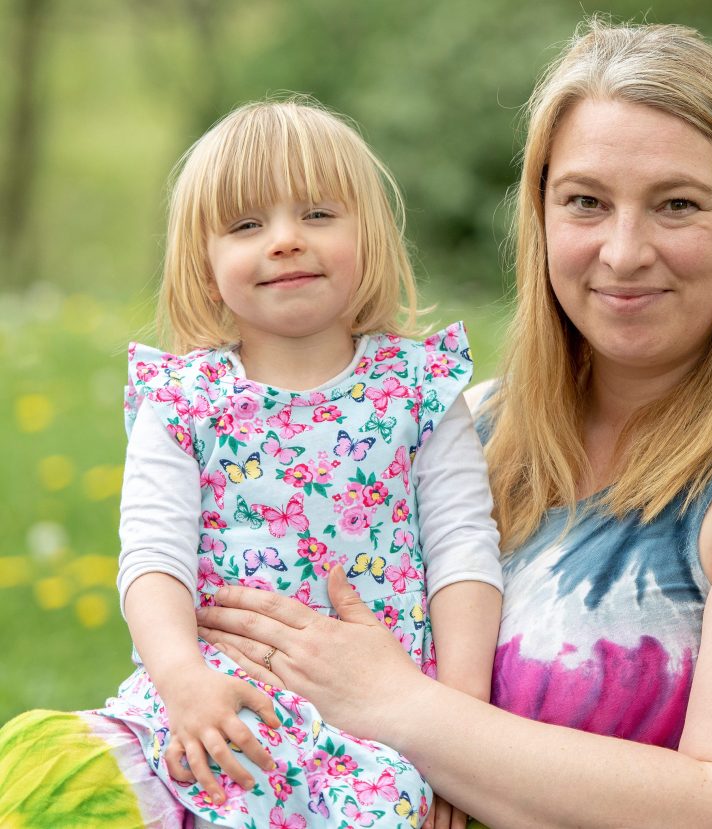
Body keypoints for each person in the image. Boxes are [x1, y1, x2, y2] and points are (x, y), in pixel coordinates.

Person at [185, 20, 712, 829]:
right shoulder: (473, 427)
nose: (624, 252)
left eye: (677, 205)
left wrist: (403, 708)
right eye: (586, 202)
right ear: (541, 215)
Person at [0, 99, 503, 829]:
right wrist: (181, 679)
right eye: (246, 225)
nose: (286, 241)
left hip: (382, 717)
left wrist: (462, 727)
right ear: (204, 266)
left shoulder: (419, 392)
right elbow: (152, 557)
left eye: (319, 214)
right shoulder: (183, 402)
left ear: (373, 236)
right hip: (222, 701)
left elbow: (463, 552)